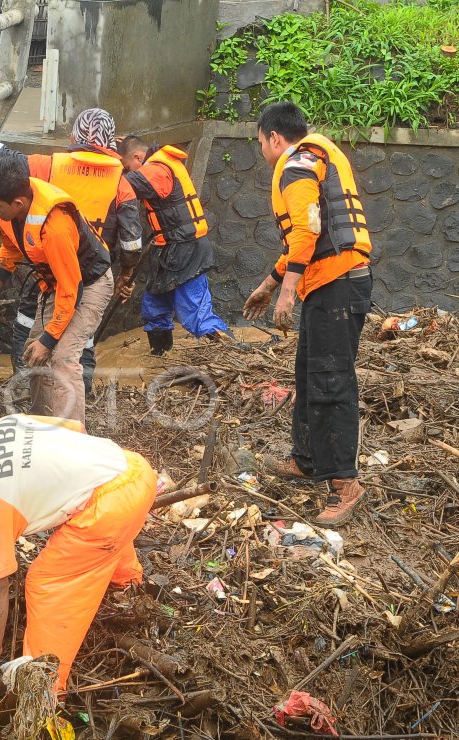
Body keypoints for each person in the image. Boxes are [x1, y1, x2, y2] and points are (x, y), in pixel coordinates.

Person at [0, 414, 157, 690]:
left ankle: (44, 686)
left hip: (112, 507)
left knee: (44, 582)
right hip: (131, 469)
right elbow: (75, 427)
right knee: (96, 539)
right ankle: (128, 585)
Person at [0, 108, 144, 395]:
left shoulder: (49, 166)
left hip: (50, 269)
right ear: (111, 145)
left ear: (73, 136)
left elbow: (2, 157)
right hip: (92, 271)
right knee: (81, 340)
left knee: (30, 330)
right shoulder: (121, 183)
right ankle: (79, 396)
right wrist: (126, 277)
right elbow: (132, 244)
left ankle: (32, 393)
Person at [244, 101, 372, 526]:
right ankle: (308, 459)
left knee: (331, 382)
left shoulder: (296, 167)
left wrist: (286, 293)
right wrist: (269, 284)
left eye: (261, 142)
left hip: (338, 285)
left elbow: (307, 230)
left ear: (275, 139)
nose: (262, 151)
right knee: (308, 375)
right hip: (332, 282)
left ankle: (345, 484)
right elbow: (304, 241)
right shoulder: (313, 157)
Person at [0, 154, 113, 425]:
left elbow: (73, 290)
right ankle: (40, 423)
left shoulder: (54, 226)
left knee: (62, 356)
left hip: (90, 284)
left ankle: (73, 436)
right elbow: (10, 247)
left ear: (18, 203)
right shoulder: (9, 212)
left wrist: (48, 340)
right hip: (58, 285)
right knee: (32, 351)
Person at [124, 141, 232, 356]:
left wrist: (102, 168)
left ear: (137, 157)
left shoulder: (157, 170)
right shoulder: (163, 165)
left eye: (128, 166)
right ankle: (160, 356)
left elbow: (120, 186)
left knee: (195, 312)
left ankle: (232, 354)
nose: (129, 171)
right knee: (154, 306)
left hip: (186, 249)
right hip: (169, 248)